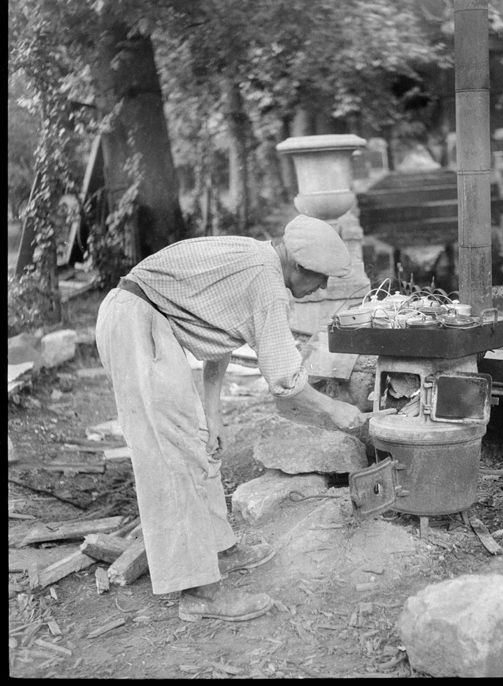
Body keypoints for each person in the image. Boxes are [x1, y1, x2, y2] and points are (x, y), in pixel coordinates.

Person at [95, 214, 367, 623]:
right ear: (297, 266)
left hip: (147, 320)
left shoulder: (256, 257)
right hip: (137, 324)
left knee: (201, 444)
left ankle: (222, 550)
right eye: (321, 279)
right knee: (172, 460)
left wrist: (213, 412)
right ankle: (199, 592)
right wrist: (335, 410)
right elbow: (284, 379)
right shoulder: (267, 282)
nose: (323, 288)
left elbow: (216, 335)